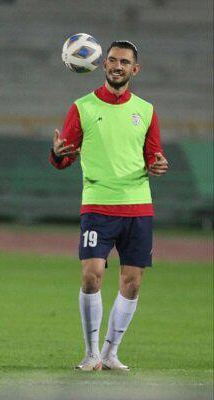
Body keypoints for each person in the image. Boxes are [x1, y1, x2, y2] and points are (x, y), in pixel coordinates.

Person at [50, 41, 169, 371]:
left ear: (135, 69)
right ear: (103, 65)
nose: (118, 66)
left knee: (132, 282)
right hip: (98, 205)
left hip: (138, 207)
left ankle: (110, 352)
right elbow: (65, 155)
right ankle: (90, 354)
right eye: (113, 60)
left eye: (125, 62)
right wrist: (58, 153)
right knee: (92, 276)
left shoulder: (146, 110)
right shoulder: (82, 107)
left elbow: (153, 157)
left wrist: (158, 164)